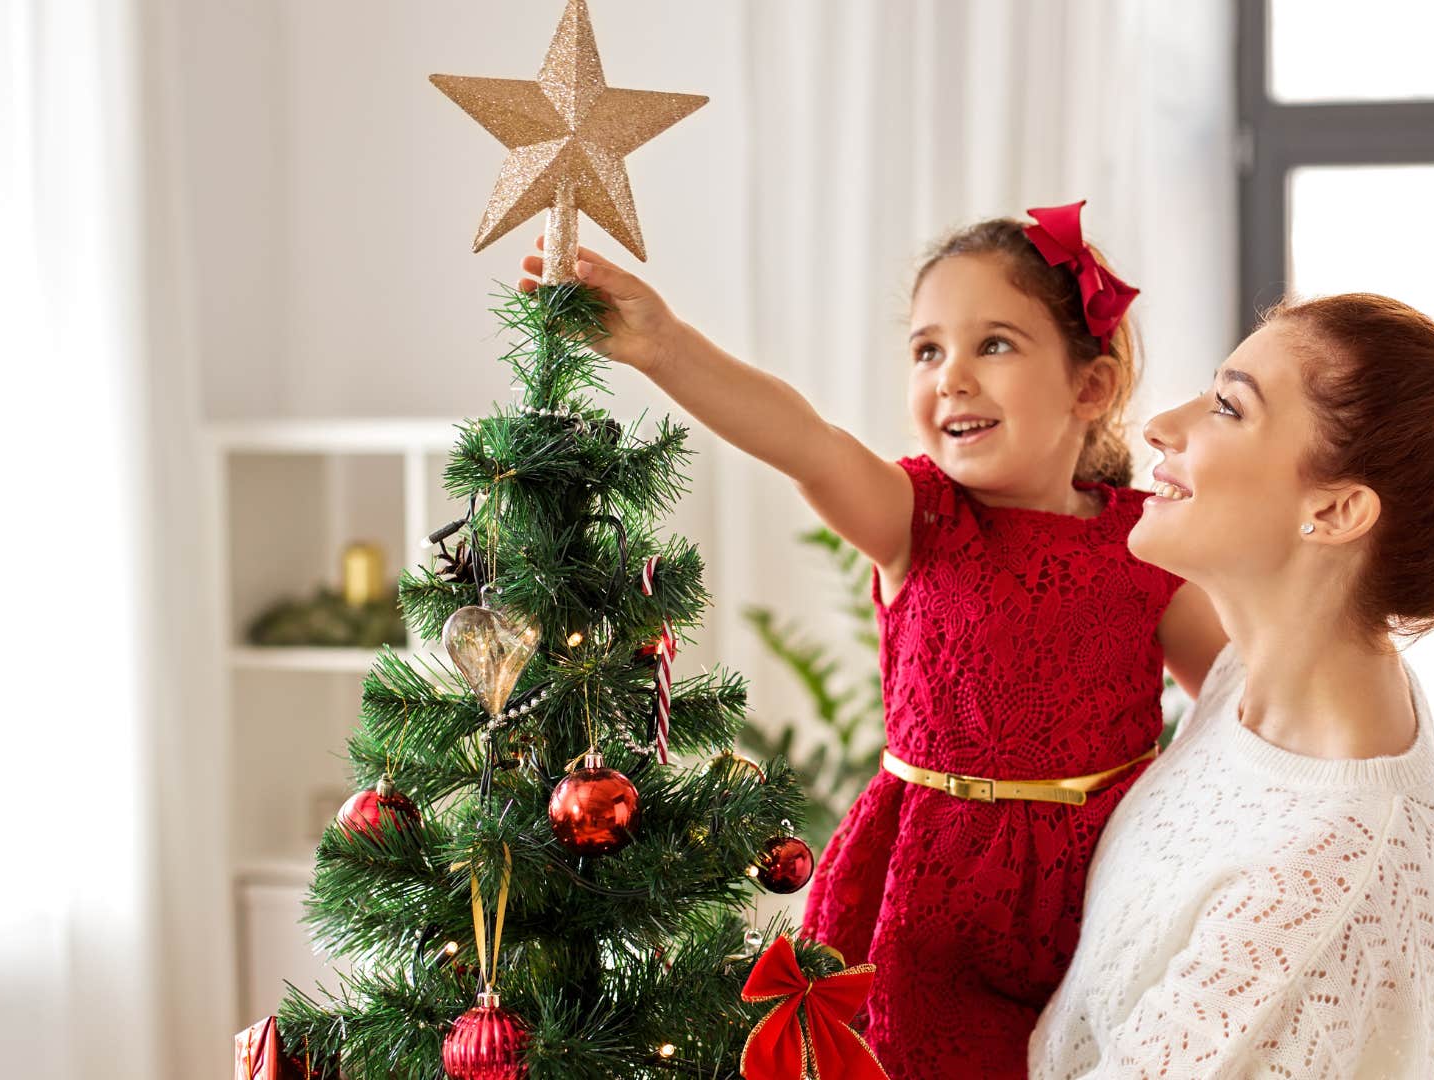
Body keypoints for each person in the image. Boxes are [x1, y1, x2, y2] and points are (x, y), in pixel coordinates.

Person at [517, 202, 1228, 1077]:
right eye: (928, 350)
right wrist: (666, 346)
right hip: (926, 901)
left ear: (1092, 387)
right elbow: (805, 443)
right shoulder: (914, 517)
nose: (952, 378)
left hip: (1106, 892)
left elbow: (1247, 706)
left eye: (993, 344)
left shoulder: (1148, 545)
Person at [1029, 293, 1434, 1079]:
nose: (1161, 426)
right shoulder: (1272, 674)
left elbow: (1342, 854)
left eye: (1227, 406)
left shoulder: (1315, 874)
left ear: (1338, 508)